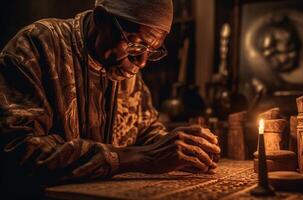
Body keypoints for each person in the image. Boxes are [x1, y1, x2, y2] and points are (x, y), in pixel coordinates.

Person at [0, 0, 220, 198]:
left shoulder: (125, 66)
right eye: (135, 44)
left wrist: (182, 149)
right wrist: (135, 158)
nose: (142, 61)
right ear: (101, 19)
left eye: (152, 50)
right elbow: (17, 151)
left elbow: (145, 132)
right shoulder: (37, 45)